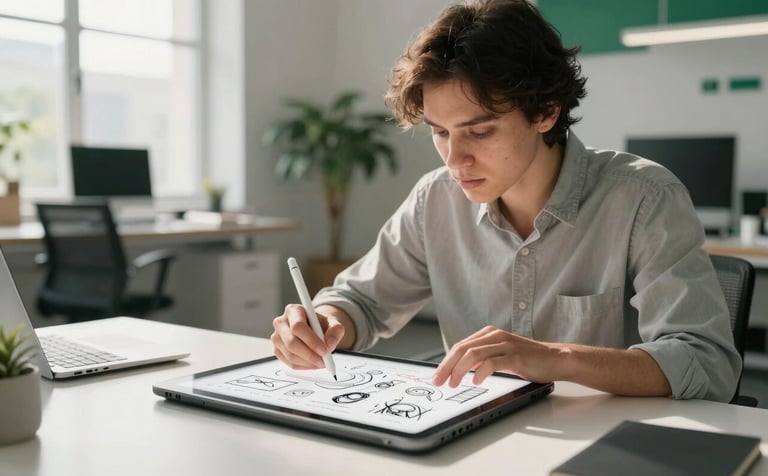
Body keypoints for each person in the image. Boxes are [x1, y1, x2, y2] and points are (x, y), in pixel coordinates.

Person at [271, 0, 740, 402]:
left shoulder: (643, 198)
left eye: (479, 131)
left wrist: (556, 359)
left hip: (607, 447)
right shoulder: (434, 200)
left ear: (545, 111)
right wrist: (322, 324)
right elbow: (360, 302)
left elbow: (706, 363)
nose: (455, 159)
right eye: (440, 133)